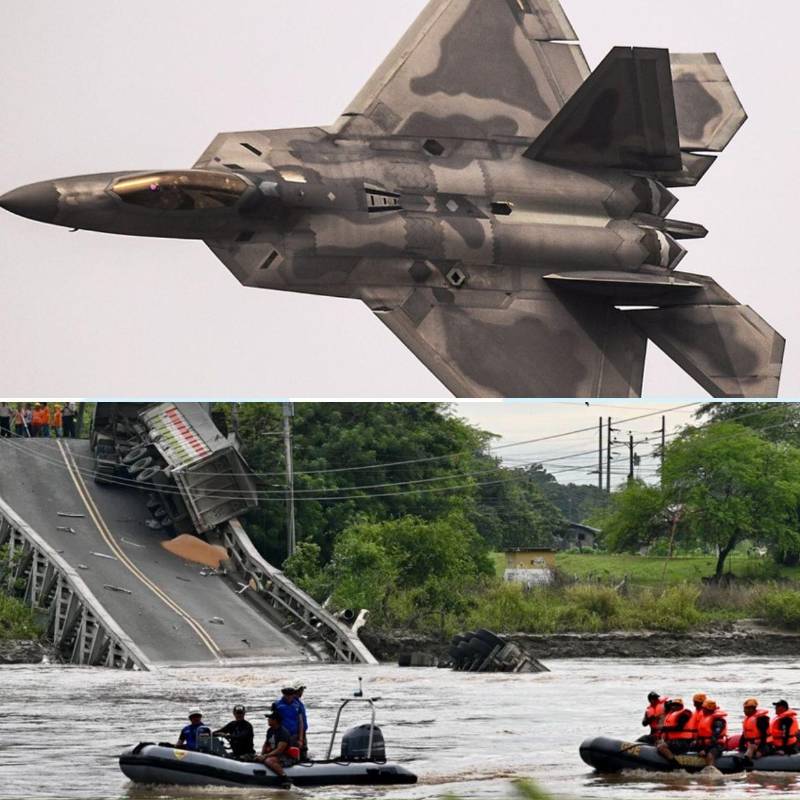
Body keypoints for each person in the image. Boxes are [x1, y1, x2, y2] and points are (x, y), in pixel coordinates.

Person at [255, 711, 294, 789]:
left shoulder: (283, 733)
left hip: (284, 756)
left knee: (269, 761)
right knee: (257, 758)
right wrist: (262, 755)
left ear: (275, 720)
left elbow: (279, 750)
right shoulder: (270, 730)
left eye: (270, 718)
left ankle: (285, 778)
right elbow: (266, 744)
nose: (268, 720)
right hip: (273, 754)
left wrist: (265, 756)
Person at [656, 698, 695, 762]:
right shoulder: (670, 715)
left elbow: (679, 728)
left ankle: (674, 764)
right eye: (673, 705)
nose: (674, 706)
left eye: (677, 705)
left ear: (681, 706)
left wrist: (664, 728)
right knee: (658, 743)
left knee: (661, 747)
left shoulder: (685, 713)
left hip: (682, 742)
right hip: (674, 741)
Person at [695, 699, 728, 767]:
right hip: (704, 744)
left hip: (716, 745)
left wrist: (705, 750)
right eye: (702, 708)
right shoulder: (704, 717)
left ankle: (711, 773)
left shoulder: (718, 721)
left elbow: (714, 738)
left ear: (709, 709)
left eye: (704, 708)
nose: (702, 710)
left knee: (710, 755)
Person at [274, 684, 305, 749]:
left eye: (290, 695)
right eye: (286, 695)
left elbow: (301, 722)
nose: (288, 697)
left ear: (293, 695)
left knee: (296, 753)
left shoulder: (297, 705)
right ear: (283, 695)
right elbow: (273, 721)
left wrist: (300, 739)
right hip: (282, 736)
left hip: (294, 734)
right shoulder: (277, 705)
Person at [295, 682, 309, 757]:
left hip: (302, 730)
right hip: (298, 731)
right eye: (301, 690)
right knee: (301, 748)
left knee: (303, 749)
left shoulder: (298, 702)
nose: (302, 692)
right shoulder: (294, 703)